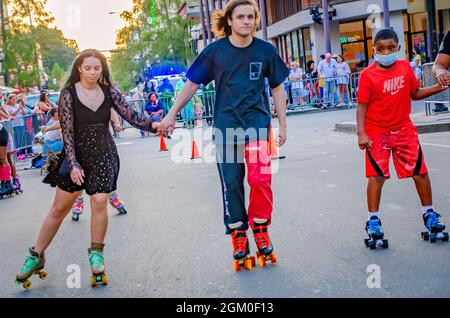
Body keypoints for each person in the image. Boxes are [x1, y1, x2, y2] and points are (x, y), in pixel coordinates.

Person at [160, 0, 288, 270]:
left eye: (251, 17)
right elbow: (192, 84)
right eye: (240, 16)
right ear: (229, 21)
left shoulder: (266, 51)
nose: (246, 21)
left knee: (260, 179)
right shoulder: (215, 52)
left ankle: (261, 230)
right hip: (226, 127)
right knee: (232, 184)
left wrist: (283, 125)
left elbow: (277, 87)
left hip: (257, 125)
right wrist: (171, 114)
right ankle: (239, 236)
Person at [14, 49, 159, 289]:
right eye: (88, 67)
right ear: (79, 68)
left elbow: (130, 114)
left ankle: (96, 255)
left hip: (103, 154)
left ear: (103, 69)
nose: (93, 72)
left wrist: (156, 125)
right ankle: (36, 255)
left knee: (100, 202)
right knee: (60, 208)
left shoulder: (109, 91)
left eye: (97, 68)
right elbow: (68, 132)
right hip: (76, 155)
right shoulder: (68, 94)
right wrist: (72, 163)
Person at [356, 29, 449, 249]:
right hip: (377, 132)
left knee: (420, 173)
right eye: (380, 49)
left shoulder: (405, 68)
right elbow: (362, 106)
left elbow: (415, 94)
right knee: (377, 177)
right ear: (374, 50)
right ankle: (373, 220)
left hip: (404, 130)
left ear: (398, 48)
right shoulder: (367, 75)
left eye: (390, 48)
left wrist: (439, 86)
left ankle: (429, 214)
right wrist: (361, 133)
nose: (385, 52)